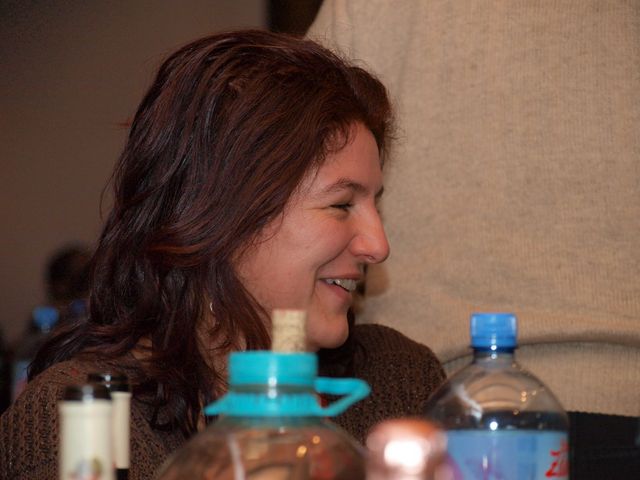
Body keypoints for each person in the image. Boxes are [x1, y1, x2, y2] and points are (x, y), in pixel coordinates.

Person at [0, 30, 445, 480]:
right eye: (341, 205)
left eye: (375, 205)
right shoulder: (87, 420)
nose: (378, 245)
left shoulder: (397, 380)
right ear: (222, 217)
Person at [308, 1, 640, 477]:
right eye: (344, 204)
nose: (379, 247)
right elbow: (289, 123)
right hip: (429, 410)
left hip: (429, 398)